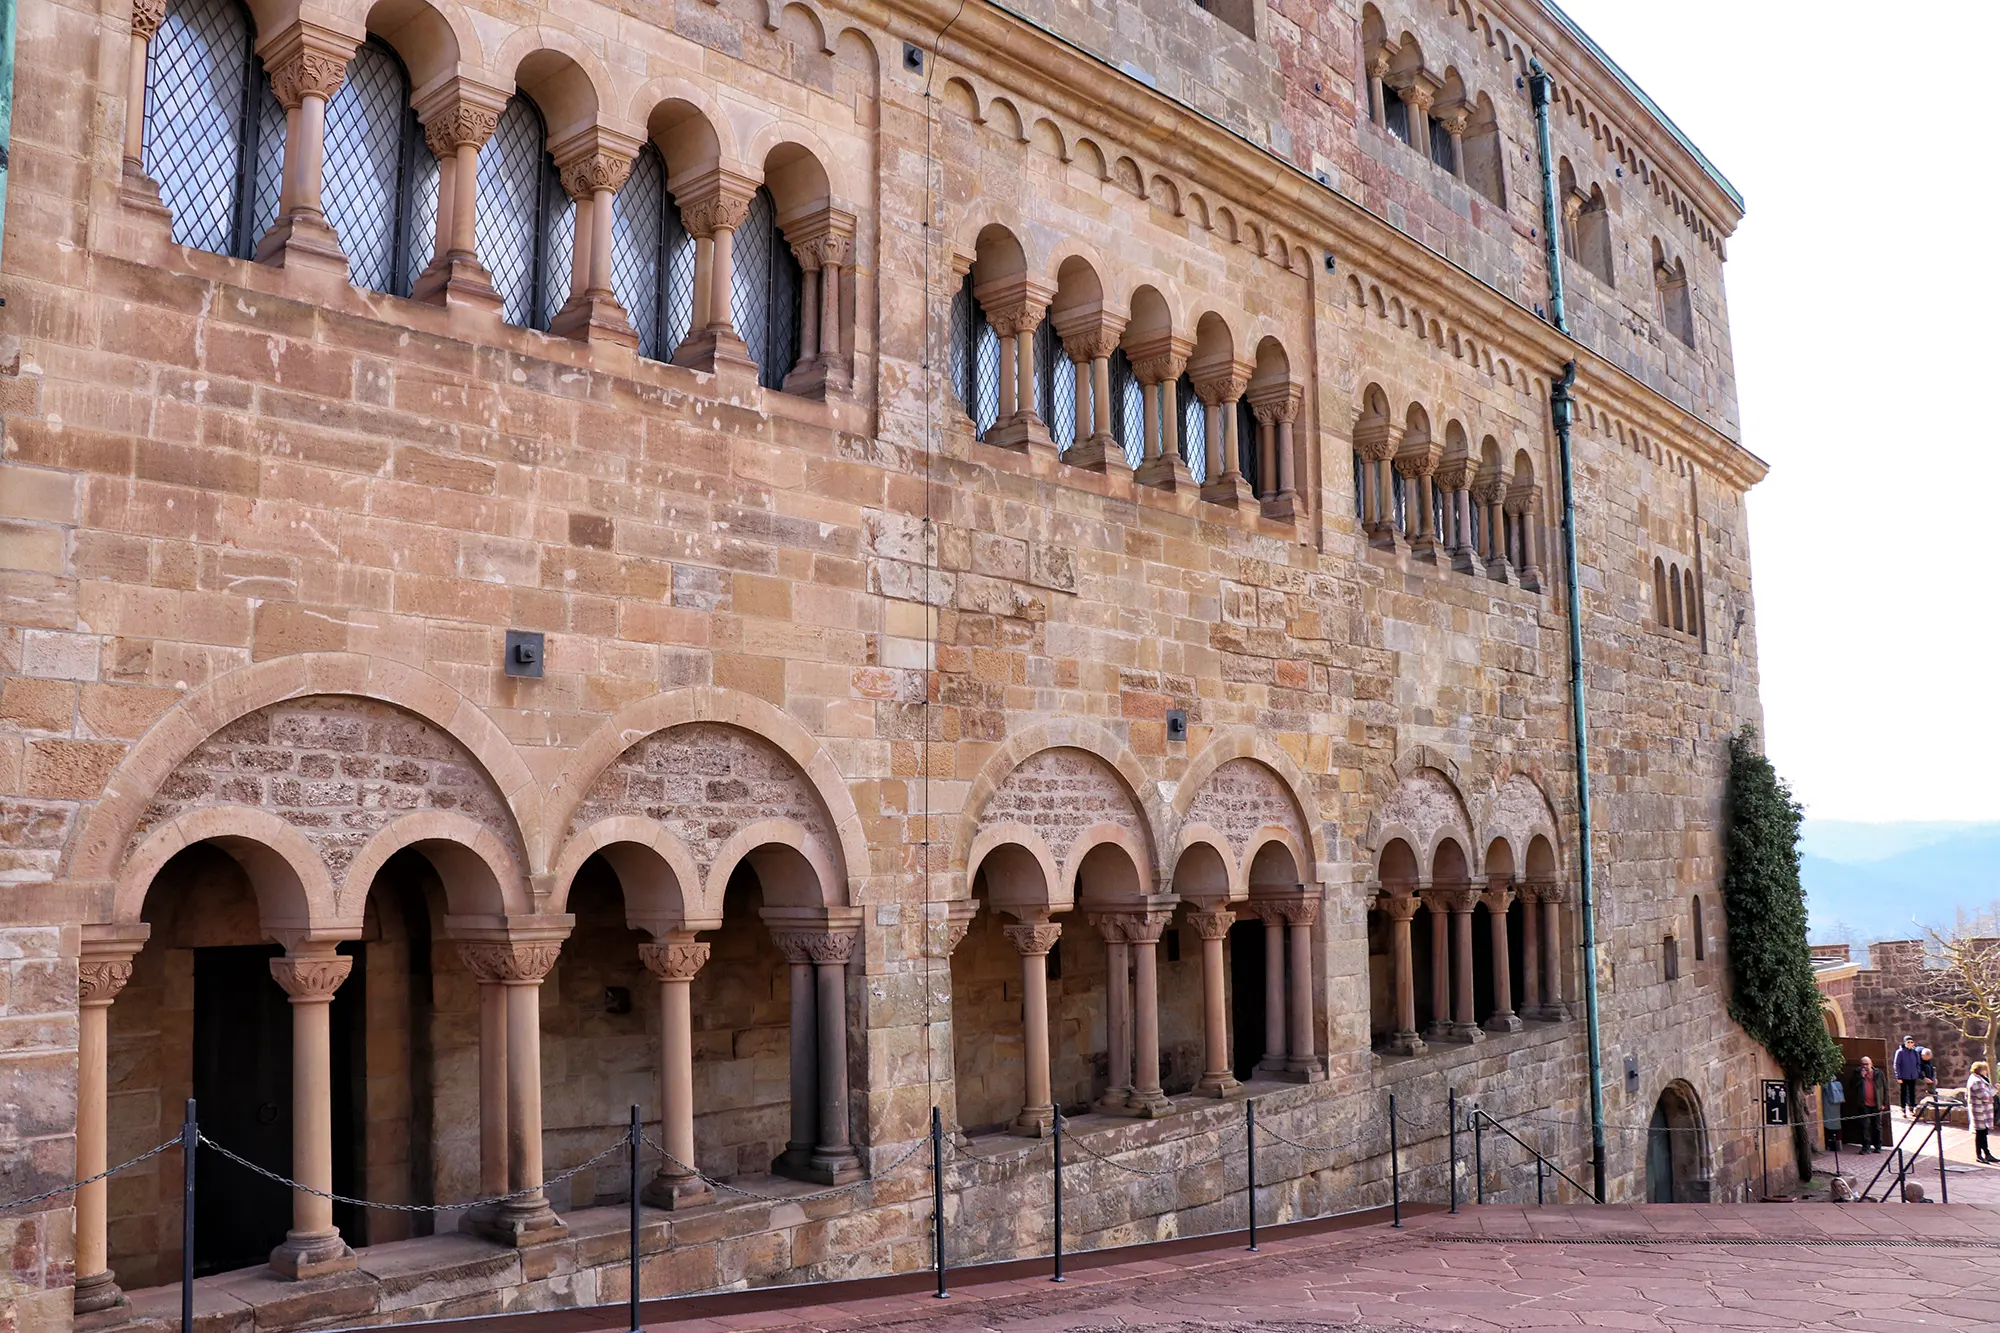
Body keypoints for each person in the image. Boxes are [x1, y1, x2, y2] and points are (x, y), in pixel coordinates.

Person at [1853, 1056, 1886, 1152]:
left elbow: (1885, 1088)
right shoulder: (1857, 1073)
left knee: (1877, 1126)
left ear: (1871, 1064)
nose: (1864, 1066)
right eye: (1862, 1064)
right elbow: (1852, 1085)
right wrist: (1861, 1077)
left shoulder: (1878, 1074)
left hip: (1877, 1104)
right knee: (1865, 1126)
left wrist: (1884, 1103)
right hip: (1864, 1105)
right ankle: (1866, 1147)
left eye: (1866, 1064)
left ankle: (1878, 1146)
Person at [1971, 1062, 1998, 1165]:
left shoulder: (1979, 1079)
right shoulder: (1976, 1081)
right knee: (1980, 1133)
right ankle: (1979, 1155)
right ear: (1981, 1070)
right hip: (1980, 1111)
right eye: (1985, 1069)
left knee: (1983, 1133)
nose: (1987, 1072)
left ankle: (1987, 1153)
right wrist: (1995, 1090)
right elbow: (1984, 1096)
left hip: (1982, 1111)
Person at [1894, 1037, 1923, 1115]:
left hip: (1912, 1076)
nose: (1910, 1044)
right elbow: (1896, 1064)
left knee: (1912, 1092)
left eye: (1911, 1042)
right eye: (1908, 1042)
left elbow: (1918, 1063)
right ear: (1905, 1043)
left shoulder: (1914, 1052)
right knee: (1903, 1092)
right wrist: (1898, 1076)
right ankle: (1903, 1109)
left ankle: (1911, 1108)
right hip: (1903, 1076)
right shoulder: (1900, 1052)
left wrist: (1917, 1072)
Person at [1823, 1072, 1844, 1152]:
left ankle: (1829, 1145)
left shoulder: (1824, 1084)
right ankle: (1838, 1145)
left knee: (1828, 1125)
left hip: (1827, 1106)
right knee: (1836, 1125)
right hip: (1836, 1108)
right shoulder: (1838, 1084)